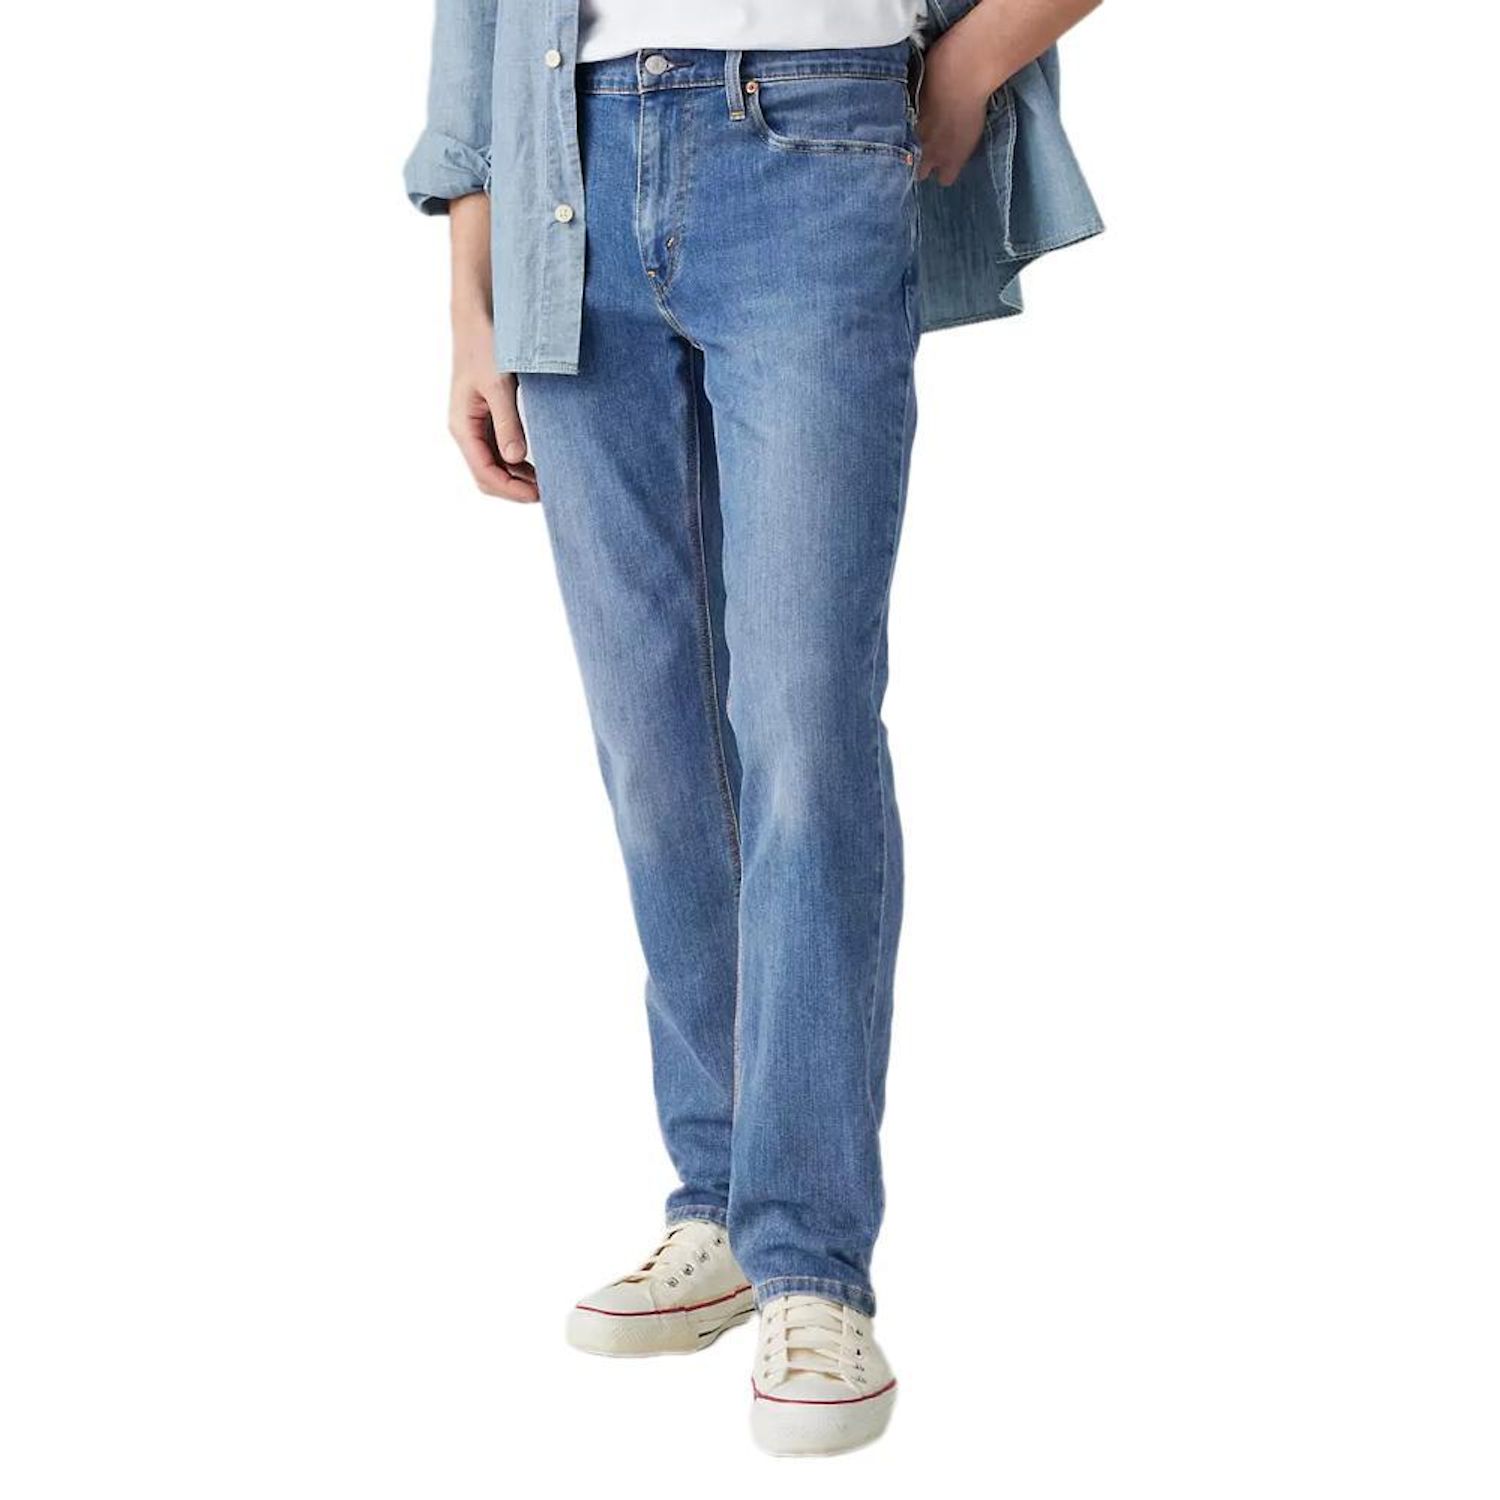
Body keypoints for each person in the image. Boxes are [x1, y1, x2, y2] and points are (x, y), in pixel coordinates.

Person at [406, 0, 1101, 1457]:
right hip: (566, 176)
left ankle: (809, 1262)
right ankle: (719, 1203)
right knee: (655, 753)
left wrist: (969, 65)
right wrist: (472, 294)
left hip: (814, 132)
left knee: (801, 729)